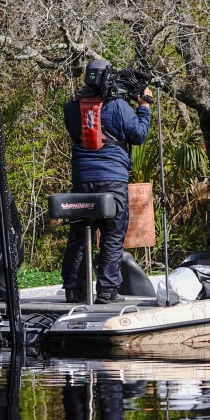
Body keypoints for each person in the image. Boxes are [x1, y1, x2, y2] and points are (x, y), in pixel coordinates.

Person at [61, 59, 152, 303]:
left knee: (79, 236)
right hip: (113, 180)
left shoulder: (71, 108)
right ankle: (107, 291)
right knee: (112, 234)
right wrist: (144, 107)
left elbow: (76, 131)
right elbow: (138, 135)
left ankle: (74, 290)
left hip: (82, 181)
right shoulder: (119, 106)